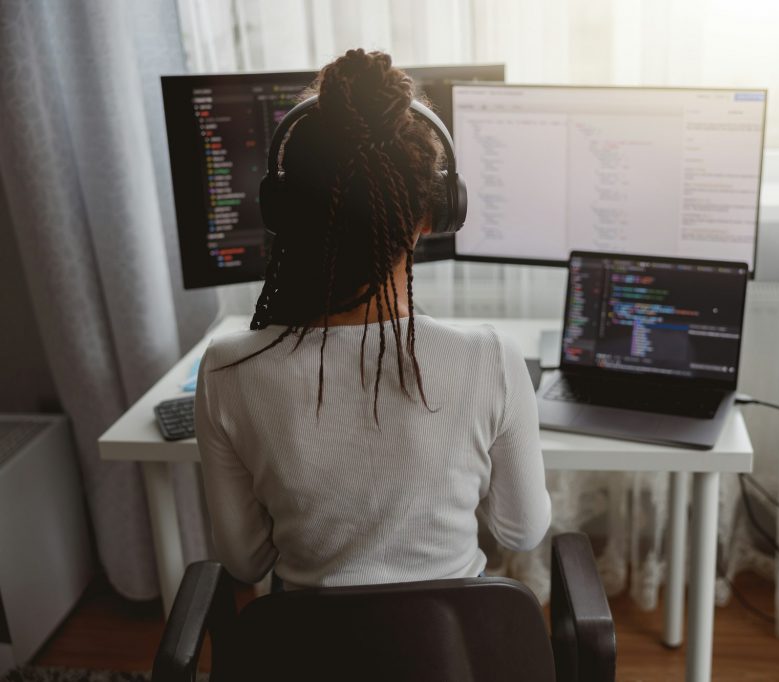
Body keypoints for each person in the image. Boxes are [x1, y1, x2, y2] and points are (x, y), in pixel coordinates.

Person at [194, 49, 550, 588]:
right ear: (435, 213)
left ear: (285, 212)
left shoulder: (226, 371)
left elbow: (245, 563)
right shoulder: (488, 359)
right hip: (453, 660)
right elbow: (520, 532)